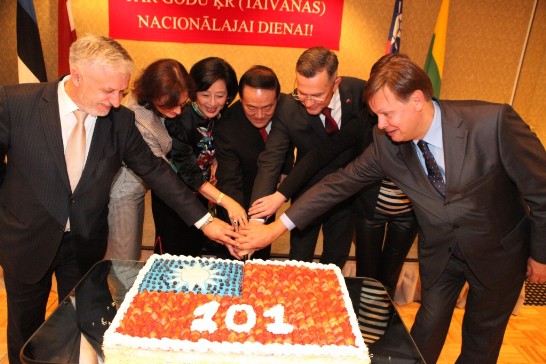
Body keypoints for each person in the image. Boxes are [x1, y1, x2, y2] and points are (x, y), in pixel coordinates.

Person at [237, 53, 546, 363]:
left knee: (482, 339)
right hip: (440, 254)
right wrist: (275, 228)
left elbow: (542, 193)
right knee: (425, 329)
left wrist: (540, 254)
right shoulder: (386, 143)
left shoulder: (493, 124)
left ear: (416, 99)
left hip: (499, 254)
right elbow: (339, 184)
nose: (381, 126)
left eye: (386, 114)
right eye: (376, 116)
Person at [0, 35, 239, 363]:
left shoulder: (120, 121)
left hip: (83, 242)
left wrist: (205, 220)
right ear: (77, 75)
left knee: (83, 325)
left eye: (122, 92)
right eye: (108, 91)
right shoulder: (15, 103)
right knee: (25, 333)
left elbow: (156, 171)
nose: (115, 102)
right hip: (27, 241)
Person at [249, 46, 370, 269]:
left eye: (316, 95)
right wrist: (257, 219)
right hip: (306, 187)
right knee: (299, 259)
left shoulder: (361, 92)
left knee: (335, 258)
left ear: (336, 83)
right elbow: (271, 159)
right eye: (301, 93)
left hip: (348, 192)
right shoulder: (287, 107)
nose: (307, 102)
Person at [155, 57, 245, 256]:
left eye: (220, 95)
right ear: (192, 91)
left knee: (196, 255)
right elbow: (188, 172)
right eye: (205, 95)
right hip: (175, 200)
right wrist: (226, 200)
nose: (213, 103)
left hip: (205, 198)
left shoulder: (224, 116)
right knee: (174, 258)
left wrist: (216, 162)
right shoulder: (179, 119)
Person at [106, 58, 194, 260]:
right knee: (125, 260)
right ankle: (123, 293)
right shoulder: (135, 117)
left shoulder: (157, 101)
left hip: (142, 184)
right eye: (170, 106)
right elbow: (161, 172)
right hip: (124, 191)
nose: (178, 111)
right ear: (152, 94)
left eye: (182, 104)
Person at [214, 65, 294, 260]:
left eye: (268, 107)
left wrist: (285, 169)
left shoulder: (288, 109)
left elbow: (288, 143)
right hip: (238, 196)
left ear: (277, 99)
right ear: (241, 99)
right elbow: (230, 179)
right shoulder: (227, 125)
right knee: (235, 256)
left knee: (261, 257)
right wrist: (242, 230)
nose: (260, 115)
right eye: (251, 107)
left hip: (267, 196)